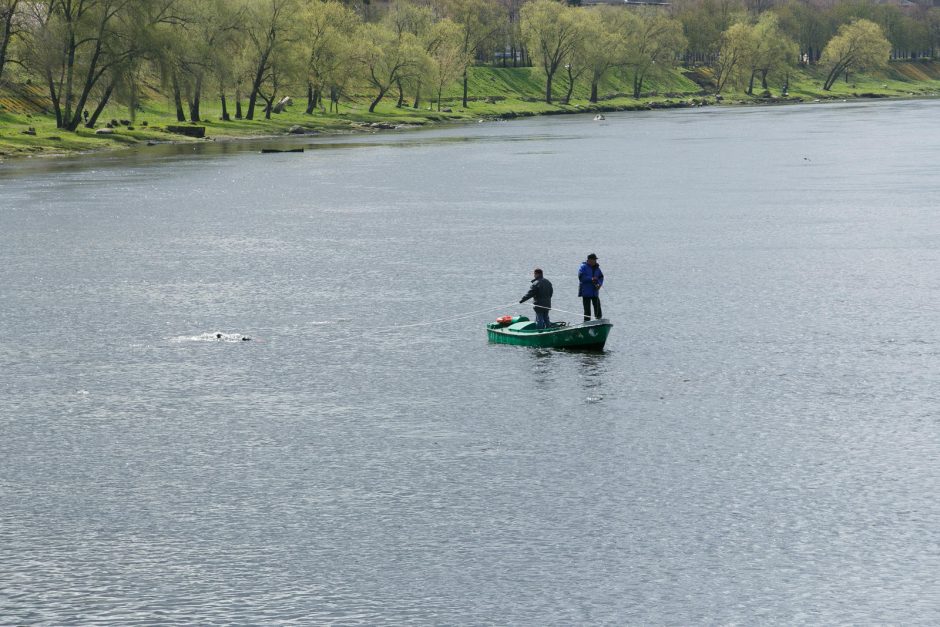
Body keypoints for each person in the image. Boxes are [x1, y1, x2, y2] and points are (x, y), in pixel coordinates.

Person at [578, 253, 604, 321]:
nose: (595, 261)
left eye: (595, 260)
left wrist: (599, 284)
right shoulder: (583, 267)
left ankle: (599, 321)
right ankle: (586, 323)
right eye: (594, 260)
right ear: (589, 260)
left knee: (597, 307)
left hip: (595, 292)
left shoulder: (597, 268)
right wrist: (591, 279)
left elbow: (601, 277)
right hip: (586, 292)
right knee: (587, 310)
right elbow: (581, 277)